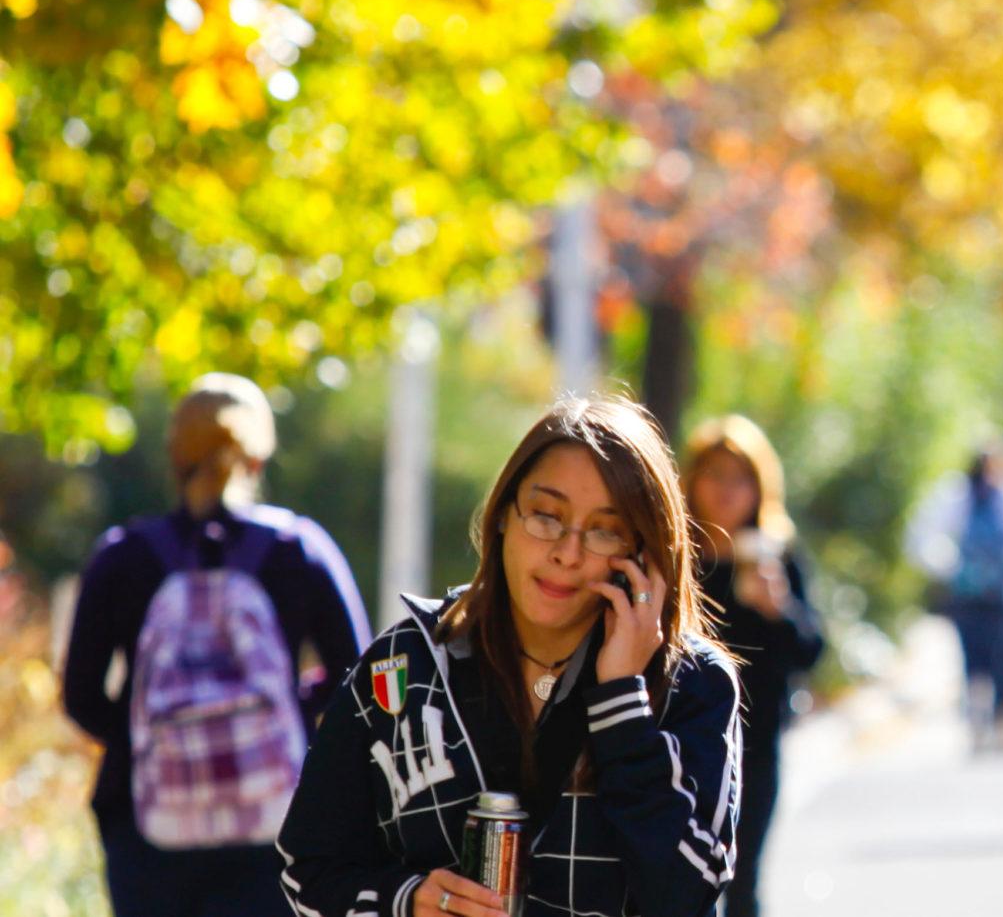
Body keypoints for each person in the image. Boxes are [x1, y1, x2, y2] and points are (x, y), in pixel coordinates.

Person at [275, 396, 741, 917]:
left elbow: (688, 896)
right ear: (503, 516)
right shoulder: (403, 665)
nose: (568, 552)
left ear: (642, 554)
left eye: (605, 530)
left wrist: (621, 705)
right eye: (546, 517)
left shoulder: (692, 682)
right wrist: (406, 902)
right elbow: (307, 869)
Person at [61, 373, 370, 917]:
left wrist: (149, 732)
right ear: (258, 458)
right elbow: (359, 676)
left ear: (175, 460)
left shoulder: (122, 557)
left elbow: (80, 696)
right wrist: (287, 709)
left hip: (146, 830)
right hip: (271, 824)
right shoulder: (299, 550)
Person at [682, 415, 827, 917]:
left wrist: (778, 607)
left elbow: (811, 650)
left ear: (760, 487)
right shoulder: (678, 558)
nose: (726, 491)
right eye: (715, 475)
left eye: (740, 478)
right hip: (683, 742)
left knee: (744, 883)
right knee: (685, 883)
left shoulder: (775, 554)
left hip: (756, 742)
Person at [906, 445, 1003, 749]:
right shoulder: (955, 495)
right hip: (968, 592)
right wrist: (947, 565)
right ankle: (978, 720)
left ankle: (1000, 719)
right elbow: (922, 536)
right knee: (974, 656)